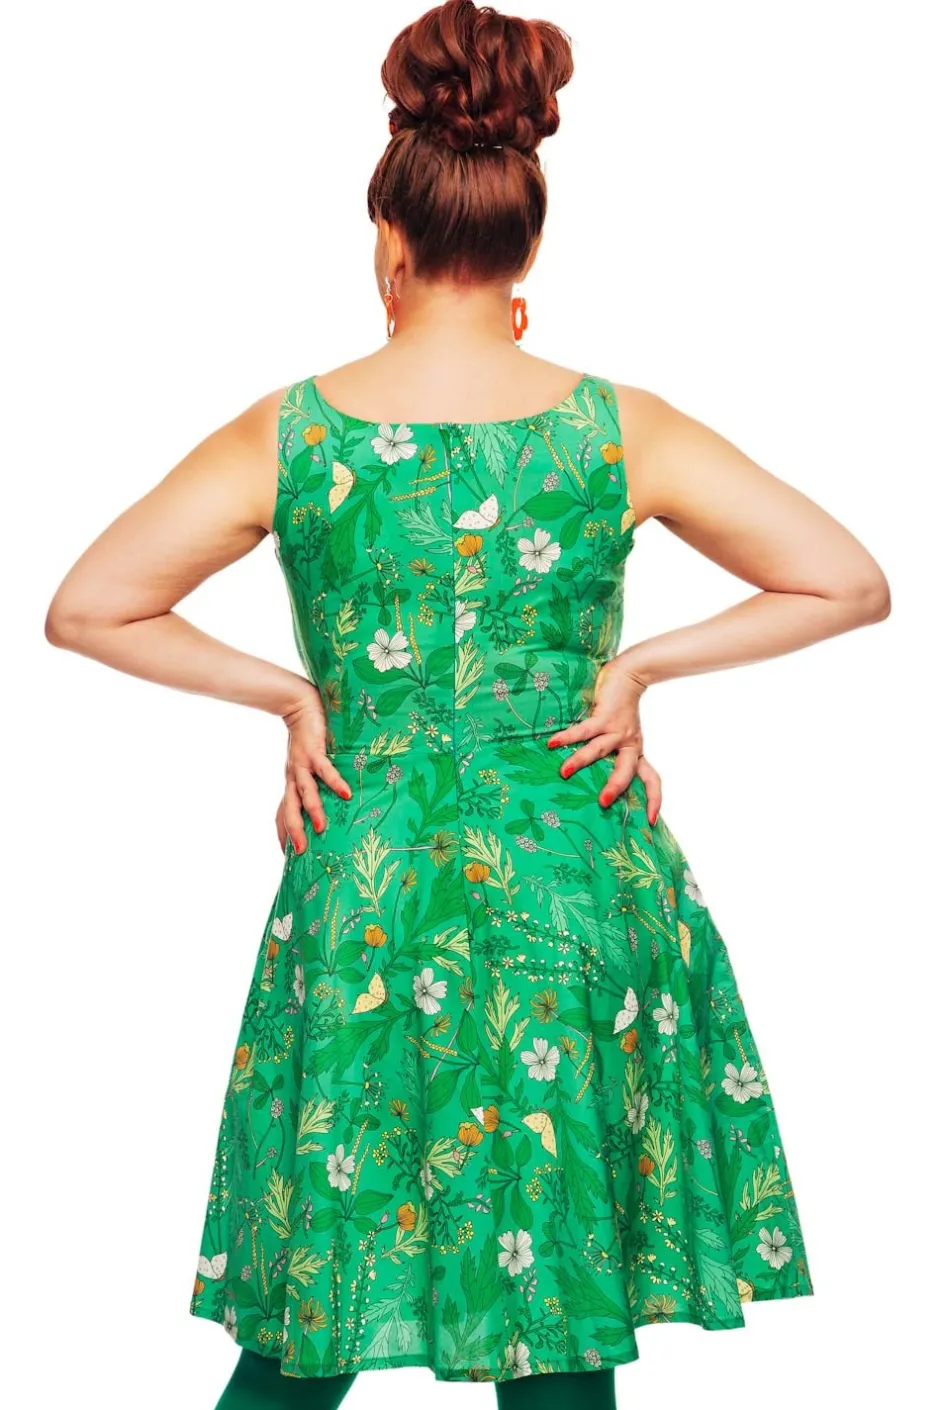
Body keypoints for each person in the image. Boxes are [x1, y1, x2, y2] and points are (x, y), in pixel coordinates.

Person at [44, 2, 890, 1407]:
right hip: (574, 879)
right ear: (525, 246)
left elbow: (89, 605)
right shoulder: (616, 428)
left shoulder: (295, 432)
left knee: (313, 1304)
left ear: (387, 238)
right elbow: (847, 581)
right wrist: (633, 670)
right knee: (556, 1304)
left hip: (368, 887)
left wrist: (293, 699)